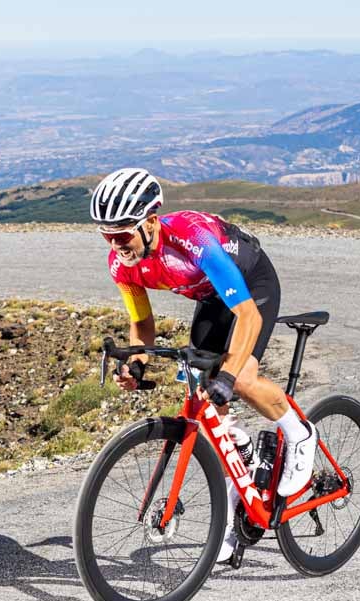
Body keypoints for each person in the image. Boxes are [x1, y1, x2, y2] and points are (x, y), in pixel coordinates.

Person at [92, 167, 317, 562]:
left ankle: (299, 434)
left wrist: (229, 375)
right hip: (212, 299)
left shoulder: (192, 238)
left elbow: (247, 314)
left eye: (122, 233)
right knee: (205, 402)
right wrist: (138, 363)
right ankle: (238, 478)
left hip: (251, 287)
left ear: (149, 222)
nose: (115, 244)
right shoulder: (121, 264)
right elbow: (142, 323)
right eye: (106, 234)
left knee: (241, 380)